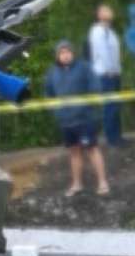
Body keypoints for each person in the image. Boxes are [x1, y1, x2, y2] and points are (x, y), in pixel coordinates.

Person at [45, 40, 110, 196]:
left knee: (92, 149)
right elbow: (48, 94)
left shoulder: (84, 67)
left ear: (72, 53)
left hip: (85, 119)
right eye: (62, 53)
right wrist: (55, 109)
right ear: (57, 56)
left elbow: (96, 87)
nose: (65, 55)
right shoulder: (52, 72)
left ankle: (102, 182)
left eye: (68, 52)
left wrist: (89, 103)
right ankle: (77, 184)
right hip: (66, 121)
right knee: (74, 152)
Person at [88, 3, 125, 147]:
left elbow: (116, 53)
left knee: (116, 105)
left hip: (114, 73)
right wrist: (110, 70)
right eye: (105, 10)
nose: (110, 11)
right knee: (110, 106)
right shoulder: (97, 31)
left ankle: (118, 136)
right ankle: (112, 139)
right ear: (99, 15)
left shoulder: (110, 31)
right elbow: (103, 53)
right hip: (105, 74)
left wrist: (117, 70)